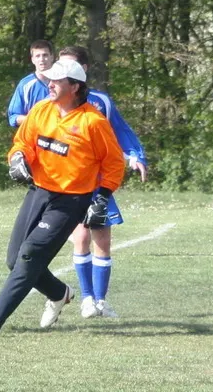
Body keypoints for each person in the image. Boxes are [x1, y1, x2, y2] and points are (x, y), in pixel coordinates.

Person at [0, 58, 125, 337]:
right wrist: (18, 158)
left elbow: (114, 163)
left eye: (57, 80)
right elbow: (23, 143)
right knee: (14, 259)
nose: (50, 84)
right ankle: (59, 293)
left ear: (75, 87)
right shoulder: (40, 110)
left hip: (71, 201)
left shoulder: (93, 122)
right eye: (49, 79)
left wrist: (103, 195)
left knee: (30, 254)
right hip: (38, 191)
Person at [57, 46, 147, 319]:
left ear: (82, 71)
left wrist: (135, 156)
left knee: (103, 241)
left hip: (99, 183)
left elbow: (120, 132)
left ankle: (100, 301)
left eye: (69, 66)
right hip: (71, 182)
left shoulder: (101, 102)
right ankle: (86, 298)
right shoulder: (53, 102)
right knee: (81, 237)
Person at [7, 40, 55, 127]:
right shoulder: (25, 84)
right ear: (32, 60)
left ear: (52, 57)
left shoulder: (63, 82)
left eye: (45, 55)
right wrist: (36, 120)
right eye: (37, 56)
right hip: (33, 133)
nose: (42, 59)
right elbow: (13, 117)